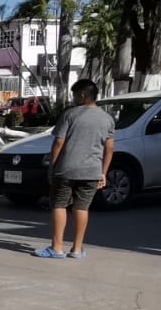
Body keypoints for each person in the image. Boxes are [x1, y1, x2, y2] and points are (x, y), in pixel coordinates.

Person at [36, 78, 115, 259]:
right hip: (92, 171)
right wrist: (103, 172)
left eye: (74, 95)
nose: (73, 99)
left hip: (66, 169)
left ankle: (57, 248)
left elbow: (58, 142)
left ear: (82, 95)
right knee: (82, 208)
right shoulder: (107, 119)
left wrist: (52, 166)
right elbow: (109, 148)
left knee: (59, 204)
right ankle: (77, 249)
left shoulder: (70, 115)